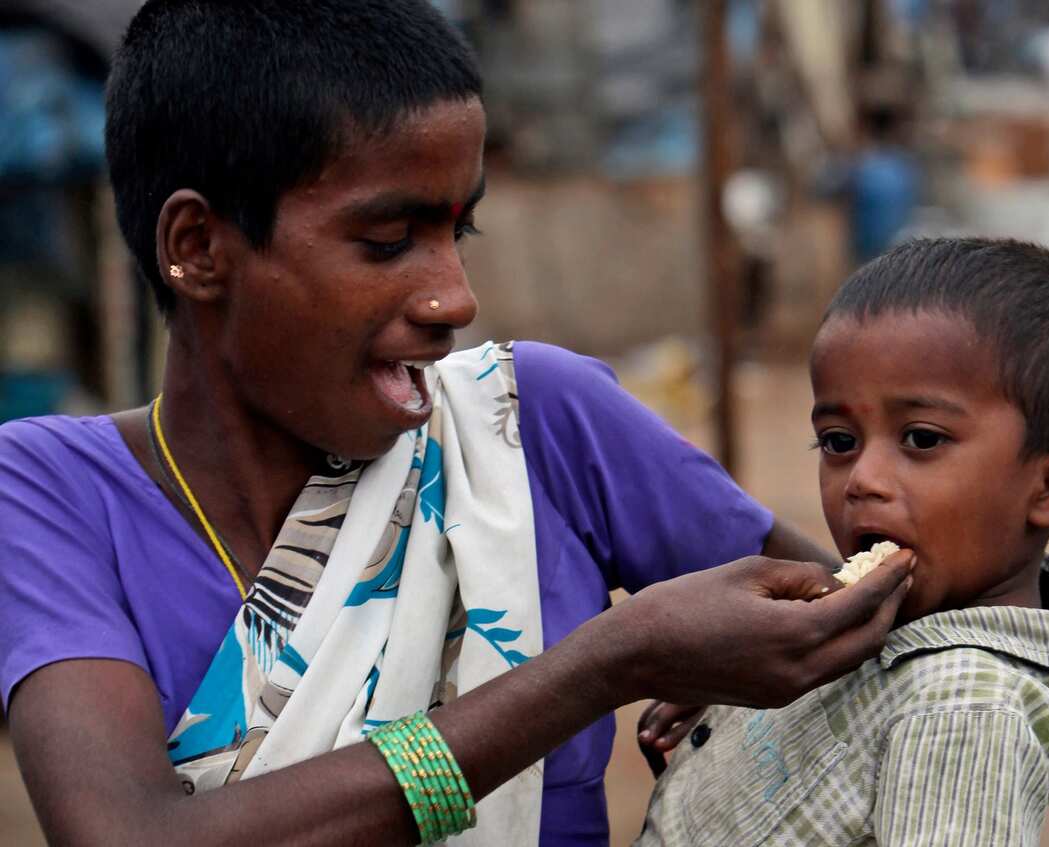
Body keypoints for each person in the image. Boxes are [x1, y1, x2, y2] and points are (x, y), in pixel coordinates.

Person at [0, 2, 915, 846]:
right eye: (389, 242)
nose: (455, 297)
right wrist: (602, 665)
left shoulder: (536, 424)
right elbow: (126, 836)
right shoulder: (48, 493)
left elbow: (888, 626)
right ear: (198, 248)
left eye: (458, 234)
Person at [637, 237, 1049, 845]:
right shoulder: (875, 622)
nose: (862, 479)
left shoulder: (963, 713)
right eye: (839, 442)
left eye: (920, 439)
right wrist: (733, 705)